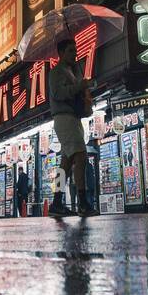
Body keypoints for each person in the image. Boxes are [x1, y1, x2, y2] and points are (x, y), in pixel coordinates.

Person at [48, 36, 90, 217]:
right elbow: (58, 93)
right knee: (80, 156)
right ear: (61, 53)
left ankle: (57, 203)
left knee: (65, 163)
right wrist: (78, 87)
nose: (75, 53)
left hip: (72, 117)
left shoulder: (72, 70)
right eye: (71, 51)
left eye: (75, 50)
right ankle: (83, 203)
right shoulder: (57, 72)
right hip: (65, 118)